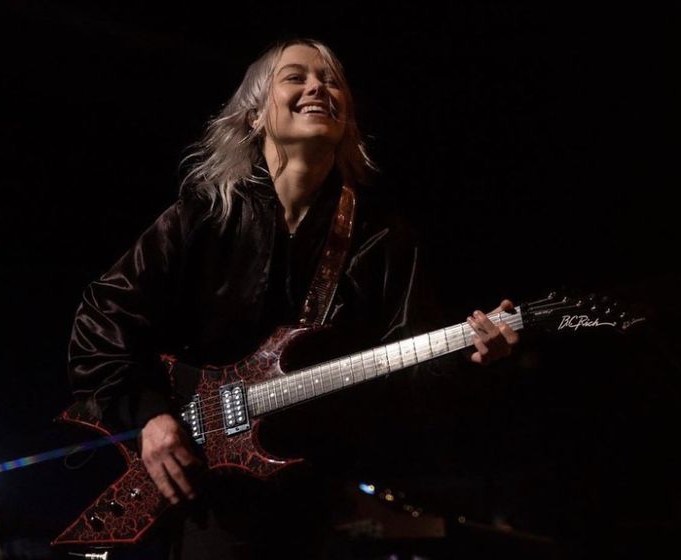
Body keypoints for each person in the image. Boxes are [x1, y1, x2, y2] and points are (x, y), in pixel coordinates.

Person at [68, 38, 519, 559]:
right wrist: (150, 416)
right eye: (296, 77)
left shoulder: (382, 239)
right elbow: (103, 315)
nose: (317, 88)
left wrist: (470, 357)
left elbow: (411, 379)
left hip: (309, 495)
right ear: (257, 115)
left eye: (331, 81)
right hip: (202, 485)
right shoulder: (208, 215)